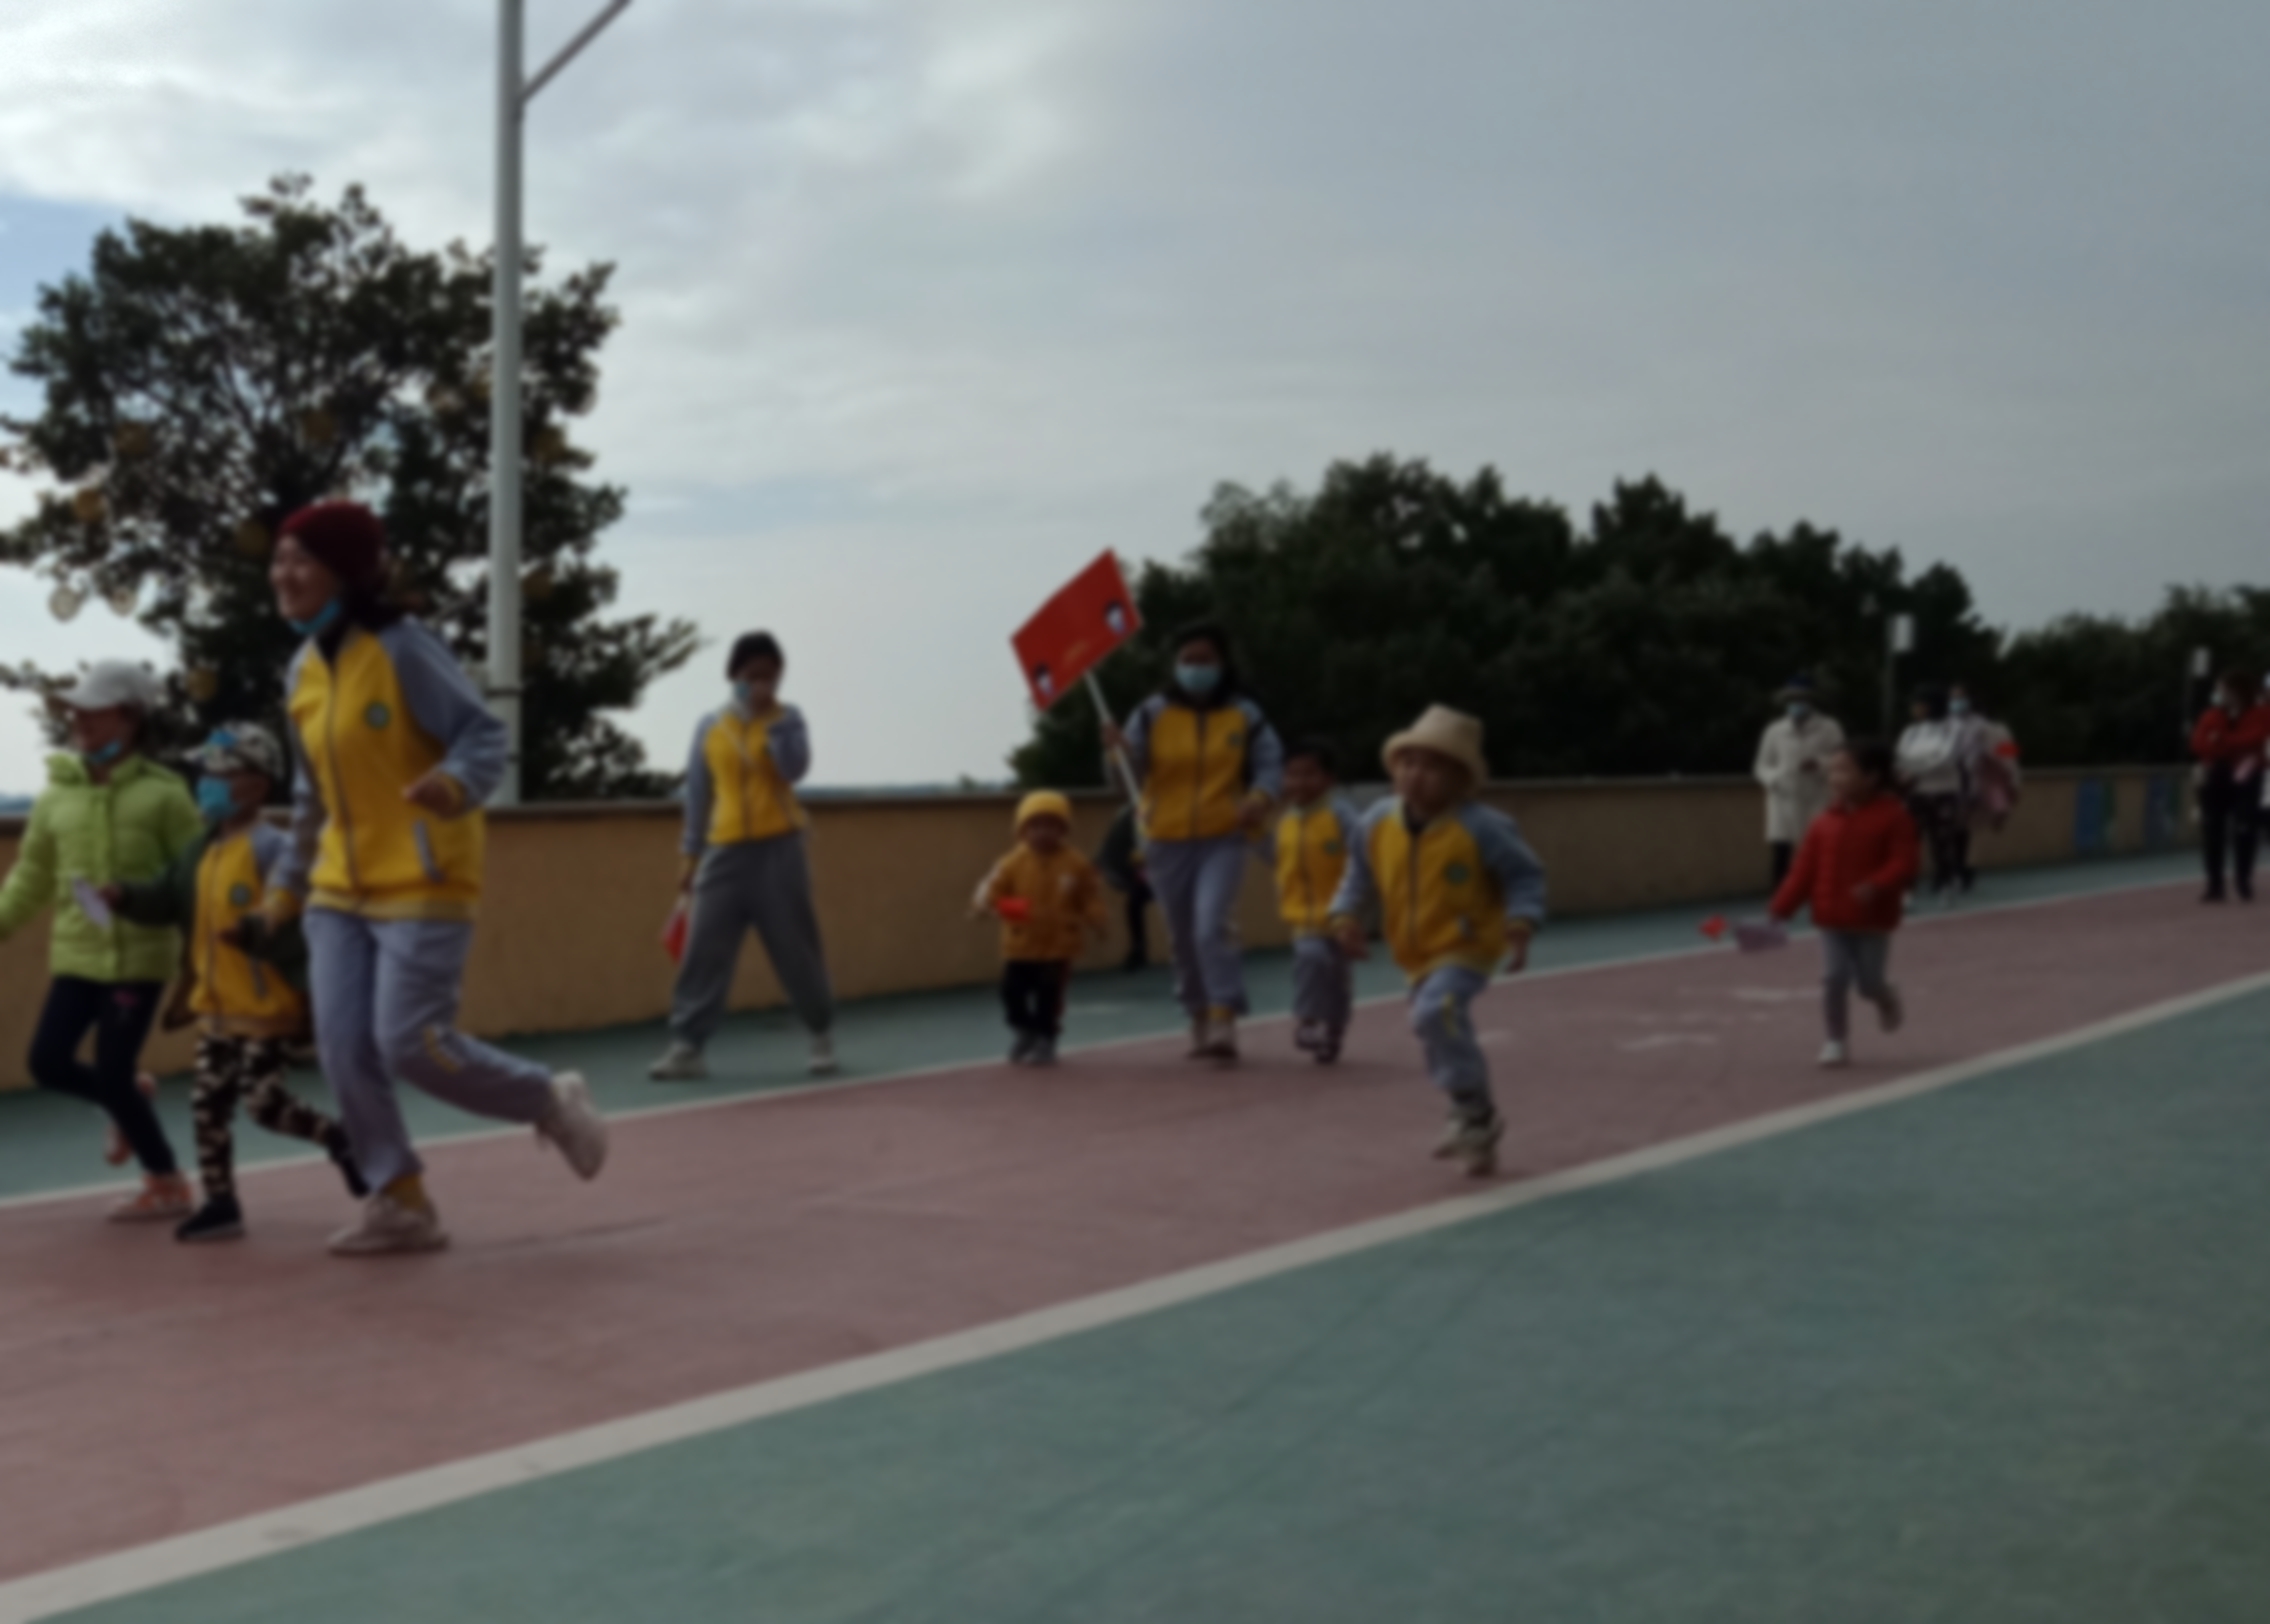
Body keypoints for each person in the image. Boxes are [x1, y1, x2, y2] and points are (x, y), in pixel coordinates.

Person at [259, 501, 610, 1256]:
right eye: (278, 559)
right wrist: (285, 890)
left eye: (301, 559)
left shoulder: (403, 648)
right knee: (343, 1049)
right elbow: (309, 797)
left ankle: (546, 1096)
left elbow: (483, 734)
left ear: (343, 571)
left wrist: (452, 784)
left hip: (423, 876)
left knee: (409, 1041)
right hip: (337, 890)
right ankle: (402, 1201)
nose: (282, 574)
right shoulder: (302, 671)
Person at [105, 724, 366, 1242]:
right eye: (206, 771)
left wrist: (255, 935)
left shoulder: (274, 849)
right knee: (207, 1106)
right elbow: (166, 896)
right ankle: (221, 1203)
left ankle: (342, 1141)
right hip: (216, 1008)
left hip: (266, 1008)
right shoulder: (200, 850)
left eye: (223, 773)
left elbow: (301, 919)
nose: (207, 781)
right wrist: (125, 897)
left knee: (264, 1105)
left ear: (259, 785)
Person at [0, 661, 201, 1220]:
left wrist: (200, 957)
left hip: (140, 959)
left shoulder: (166, 795)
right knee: (47, 1062)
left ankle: (167, 1181)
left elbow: (193, 878)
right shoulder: (55, 797)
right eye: (75, 711)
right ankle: (126, 1096)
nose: (78, 720)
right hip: (77, 955)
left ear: (129, 717)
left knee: (112, 1069)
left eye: (94, 710)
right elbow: (31, 876)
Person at [1328, 707, 1547, 1178]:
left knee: (1437, 1011)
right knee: (1431, 1026)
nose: (1416, 774)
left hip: (1468, 943)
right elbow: (1358, 873)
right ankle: (1475, 1121)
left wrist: (1522, 921)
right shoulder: (1377, 821)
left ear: (1460, 778)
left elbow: (1524, 875)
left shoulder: (1483, 827)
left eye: (1432, 766)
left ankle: (1471, 1111)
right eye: (1408, 763)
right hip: (1414, 950)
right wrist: (1345, 915)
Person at [650, 632, 838, 1082]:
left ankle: (820, 1033)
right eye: (752, 676)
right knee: (703, 950)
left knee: (796, 947)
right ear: (733, 676)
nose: (760, 685)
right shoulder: (710, 727)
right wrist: (690, 857)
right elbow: (698, 796)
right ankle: (688, 1046)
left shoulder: (788, 719)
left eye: (770, 676)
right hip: (725, 851)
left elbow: (795, 768)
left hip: (780, 850)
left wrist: (772, 728)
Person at [1102, 624, 1284, 1061]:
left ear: (1223, 663)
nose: (1196, 668)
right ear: (1175, 665)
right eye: (1188, 660)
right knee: (1183, 937)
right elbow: (1124, 783)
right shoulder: (1152, 713)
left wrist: (1259, 798)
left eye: (1206, 660)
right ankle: (1197, 1013)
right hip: (1165, 839)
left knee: (1210, 926)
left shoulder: (1245, 714)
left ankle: (1223, 1016)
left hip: (1224, 834)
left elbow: (1270, 764)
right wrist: (1117, 753)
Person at [1769, 738, 1919, 1069]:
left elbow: (1904, 862)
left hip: (1872, 919)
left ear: (1872, 777)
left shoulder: (1894, 817)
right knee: (1833, 978)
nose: (1834, 777)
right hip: (1830, 918)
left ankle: (1885, 995)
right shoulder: (1823, 822)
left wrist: (1876, 884)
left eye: (1844, 770)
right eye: (1832, 770)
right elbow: (1803, 871)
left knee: (1868, 983)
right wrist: (1781, 909)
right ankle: (1835, 1040)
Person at [971, 791, 1108, 1065]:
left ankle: (1046, 1037)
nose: (1043, 832)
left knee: (1049, 995)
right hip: (1020, 944)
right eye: (1035, 826)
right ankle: (1024, 1029)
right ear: (1023, 830)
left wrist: (1097, 919)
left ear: (1063, 829)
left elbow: (1089, 896)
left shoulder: (1076, 863)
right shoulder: (1010, 863)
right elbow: (991, 891)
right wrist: (989, 905)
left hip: (1059, 945)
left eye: (1051, 825)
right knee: (1011, 991)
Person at [1272, 738, 1360, 1063]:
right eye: (1292, 774)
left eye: (1309, 774)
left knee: (1337, 976)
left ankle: (1334, 1030)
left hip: (1342, 914)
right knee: (1311, 958)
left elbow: (1364, 858)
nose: (1299, 782)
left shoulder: (1341, 816)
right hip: (1304, 917)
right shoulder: (1286, 821)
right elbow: (1280, 863)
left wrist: (1357, 907)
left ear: (1328, 779)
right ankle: (1308, 1021)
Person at [1752, 677, 1846, 887]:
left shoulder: (1829, 727)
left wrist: (1819, 763)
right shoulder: (1774, 730)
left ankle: (1821, 890)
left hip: (1816, 795)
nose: (1796, 703)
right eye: (1792, 699)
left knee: (1818, 847)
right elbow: (1761, 765)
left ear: (1810, 700)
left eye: (1801, 699)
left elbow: (1842, 758)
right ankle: (1779, 894)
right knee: (1781, 849)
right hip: (1783, 797)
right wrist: (1775, 778)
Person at [2190, 668, 2269, 903]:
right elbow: (2199, 743)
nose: (2219, 693)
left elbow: (2254, 739)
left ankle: (2243, 880)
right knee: (2212, 830)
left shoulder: (2260, 714)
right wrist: (2226, 746)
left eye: (2222, 688)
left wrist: (2222, 740)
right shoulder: (2212, 715)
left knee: (2245, 828)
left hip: (2247, 774)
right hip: (2217, 775)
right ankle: (2215, 884)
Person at [1895, 685, 1977, 905]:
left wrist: (1915, 769)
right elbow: (1901, 757)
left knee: (1941, 841)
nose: (1914, 708)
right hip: (1915, 792)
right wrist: (1913, 770)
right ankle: (1907, 889)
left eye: (1918, 704)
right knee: (1908, 841)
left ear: (1930, 706)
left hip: (1943, 791)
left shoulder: (1955, 729)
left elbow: (1946, 758)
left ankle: (1946, 884)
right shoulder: (1911, 732)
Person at [1953, 684, 2022, 867]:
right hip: (1957, 782)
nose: (1955, 702)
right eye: (1953, 698)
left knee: (1970, 828)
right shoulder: (1950, 725)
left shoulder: (1992, 729)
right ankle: (1960, 866)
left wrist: (2014, 782)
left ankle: (1966, 867)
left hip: (1978, 784)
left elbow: (2010, 758)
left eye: (1959, 698)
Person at [1094, 803, 1154, 971]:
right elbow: (1112, 843)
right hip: (1141, 874)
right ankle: (1138, 948)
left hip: (1164, 869)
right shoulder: (1127, 815)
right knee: (1134, 903)